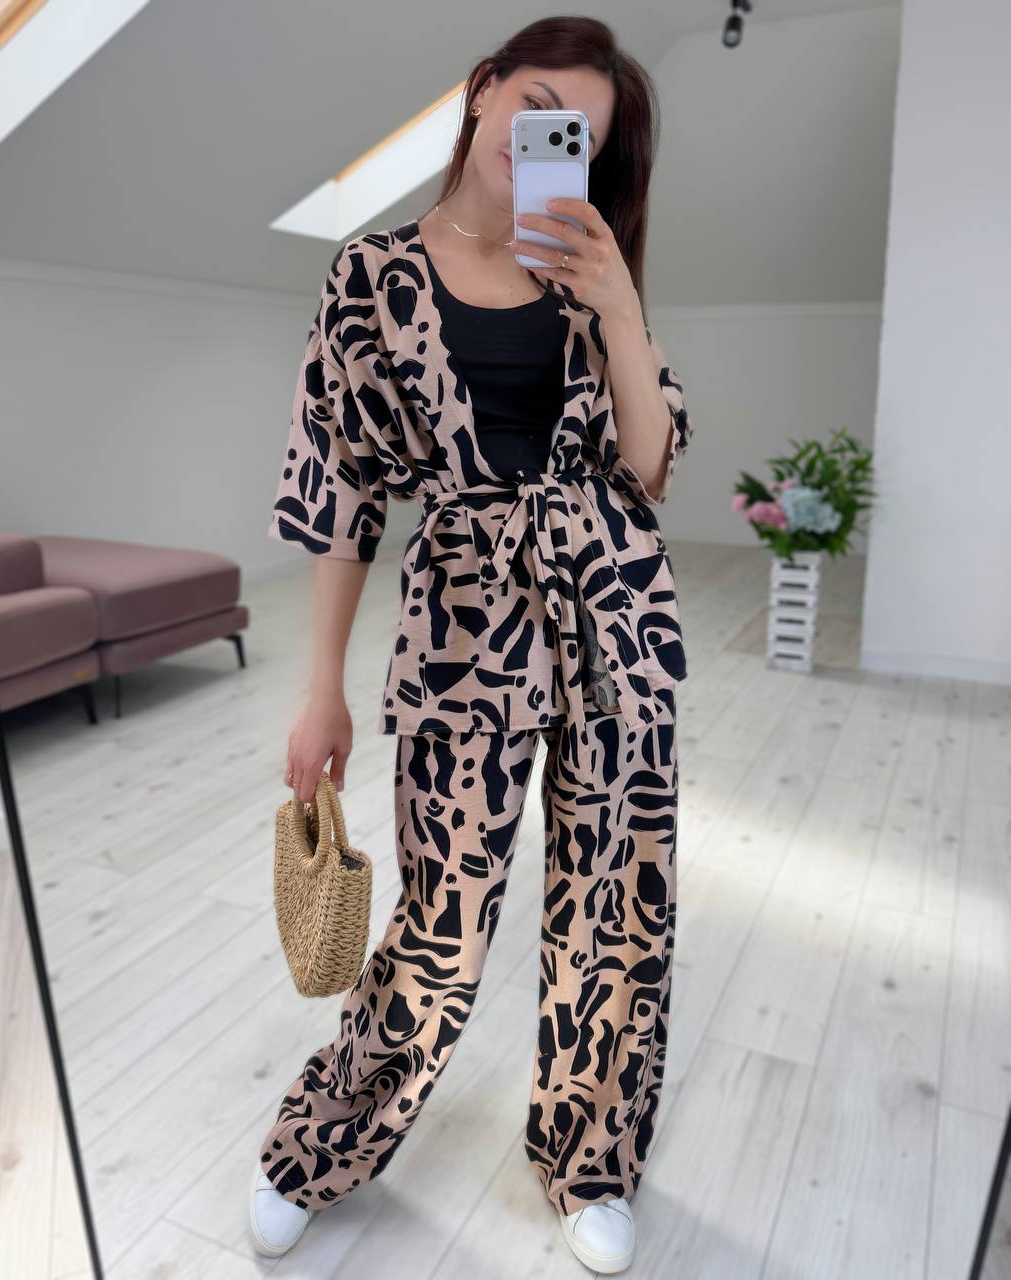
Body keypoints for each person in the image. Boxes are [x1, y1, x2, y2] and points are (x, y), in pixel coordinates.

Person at [249, 16, 694, 1274]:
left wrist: (618, 307)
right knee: (440, 918)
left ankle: (590, 1162)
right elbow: (339, 490)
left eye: (579, 138)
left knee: (616, 903)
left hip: (614, 612)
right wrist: (321, 689)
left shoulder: (589, 266)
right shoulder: (370, 275)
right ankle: (317, 1144)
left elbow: (649, 466)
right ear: (484, 89)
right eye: (537, 104)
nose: (546, 140)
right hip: (462, 625)